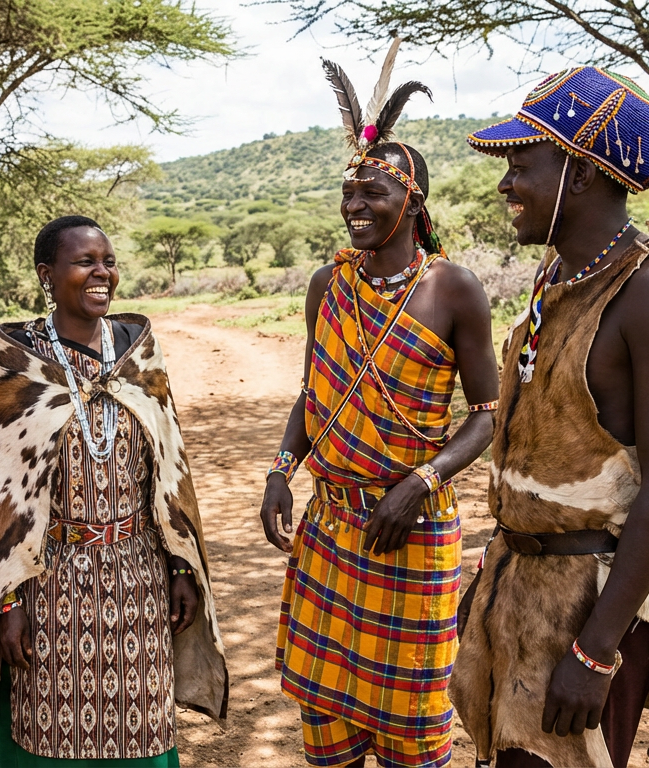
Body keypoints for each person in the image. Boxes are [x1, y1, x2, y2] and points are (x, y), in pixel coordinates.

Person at [449, 67, 649, 768]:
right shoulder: (557, 280)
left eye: (522, 165)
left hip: (599, 603)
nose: (504, 184)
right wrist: (495, 572)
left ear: (579, 173)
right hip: (524, 592)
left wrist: (596, 648)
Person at [262, 45, 501, 768]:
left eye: (375, 193)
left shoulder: (453, 289)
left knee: (412, 730)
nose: (356, 206)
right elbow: (314, 392)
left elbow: (489, 411)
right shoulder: (326, 285)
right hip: (331, 525)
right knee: (328, 723)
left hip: (413, 530)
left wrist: (423, 482)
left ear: (414, 202)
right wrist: (281, 469)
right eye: (350, 191)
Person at [0, 216, 228, 766]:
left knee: (142, 726)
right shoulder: (17, 363)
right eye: (85, 262)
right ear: (47, 275)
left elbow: (167, 469)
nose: (102, 273)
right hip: (48, 587)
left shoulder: (138, 352)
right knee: (48, 728)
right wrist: (6, 603)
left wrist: (179, 569)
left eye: (108, 261)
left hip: (139, 577)